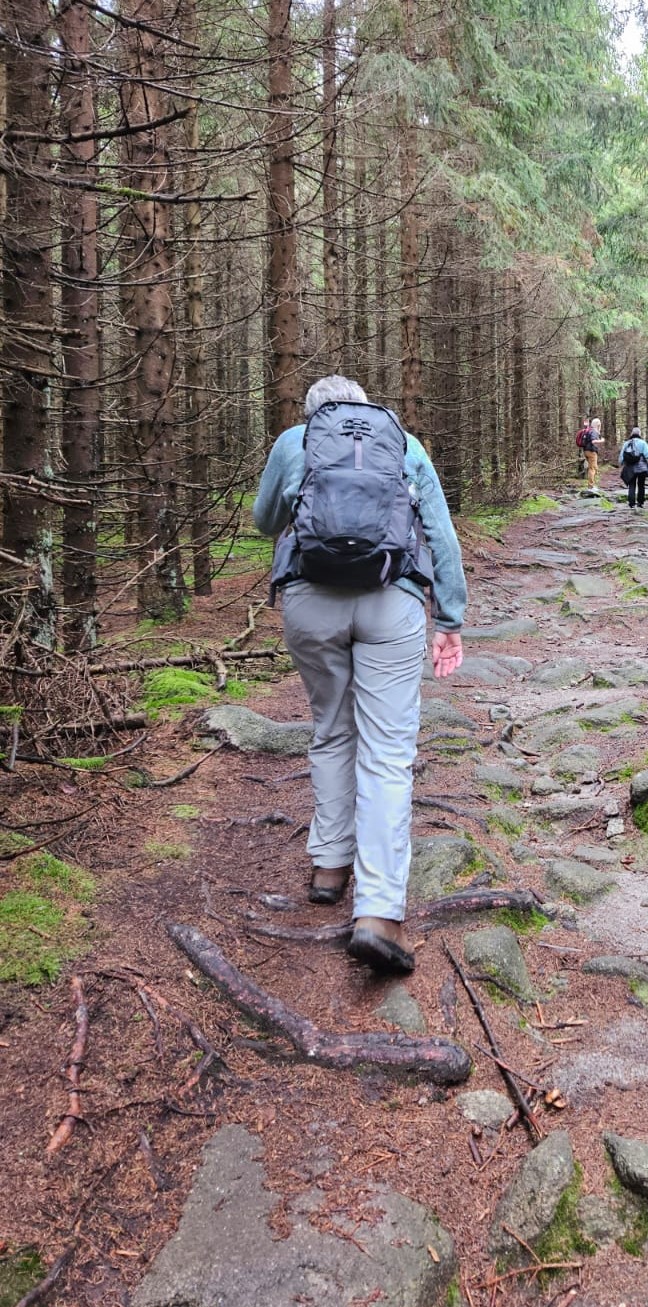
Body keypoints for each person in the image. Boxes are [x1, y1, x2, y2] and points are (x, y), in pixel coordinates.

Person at [252, 375, 467, 974]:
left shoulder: (294, 441)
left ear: (313, 414)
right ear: (366, 410)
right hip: (389, 599)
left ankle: (328, 866)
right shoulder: (404, 444)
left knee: (330, 728)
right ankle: (377, 913)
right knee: (388, 749)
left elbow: (266, 521)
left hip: (308, 600)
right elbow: (441, 536)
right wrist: (449, 616)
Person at [618, 426, 648, 509]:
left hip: (630, 467)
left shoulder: (626, 443)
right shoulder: (642, 443)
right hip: (641, 467)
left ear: (632, 434)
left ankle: (631, 504)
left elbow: (622, 456)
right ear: (639, 434)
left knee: (631, 485)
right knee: (641, 485)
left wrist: (621, 464)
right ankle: (640, 503)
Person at [581, 417, 604, 491]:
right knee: (592, 468)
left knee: (594, 468)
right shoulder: (593, 431)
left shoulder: (589, 431)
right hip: (591, 451)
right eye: (599, 425)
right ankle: (591, 487)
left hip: (586, 451)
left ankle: (592, 485)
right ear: (597, 425)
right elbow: (593, 441)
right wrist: (601, 441)